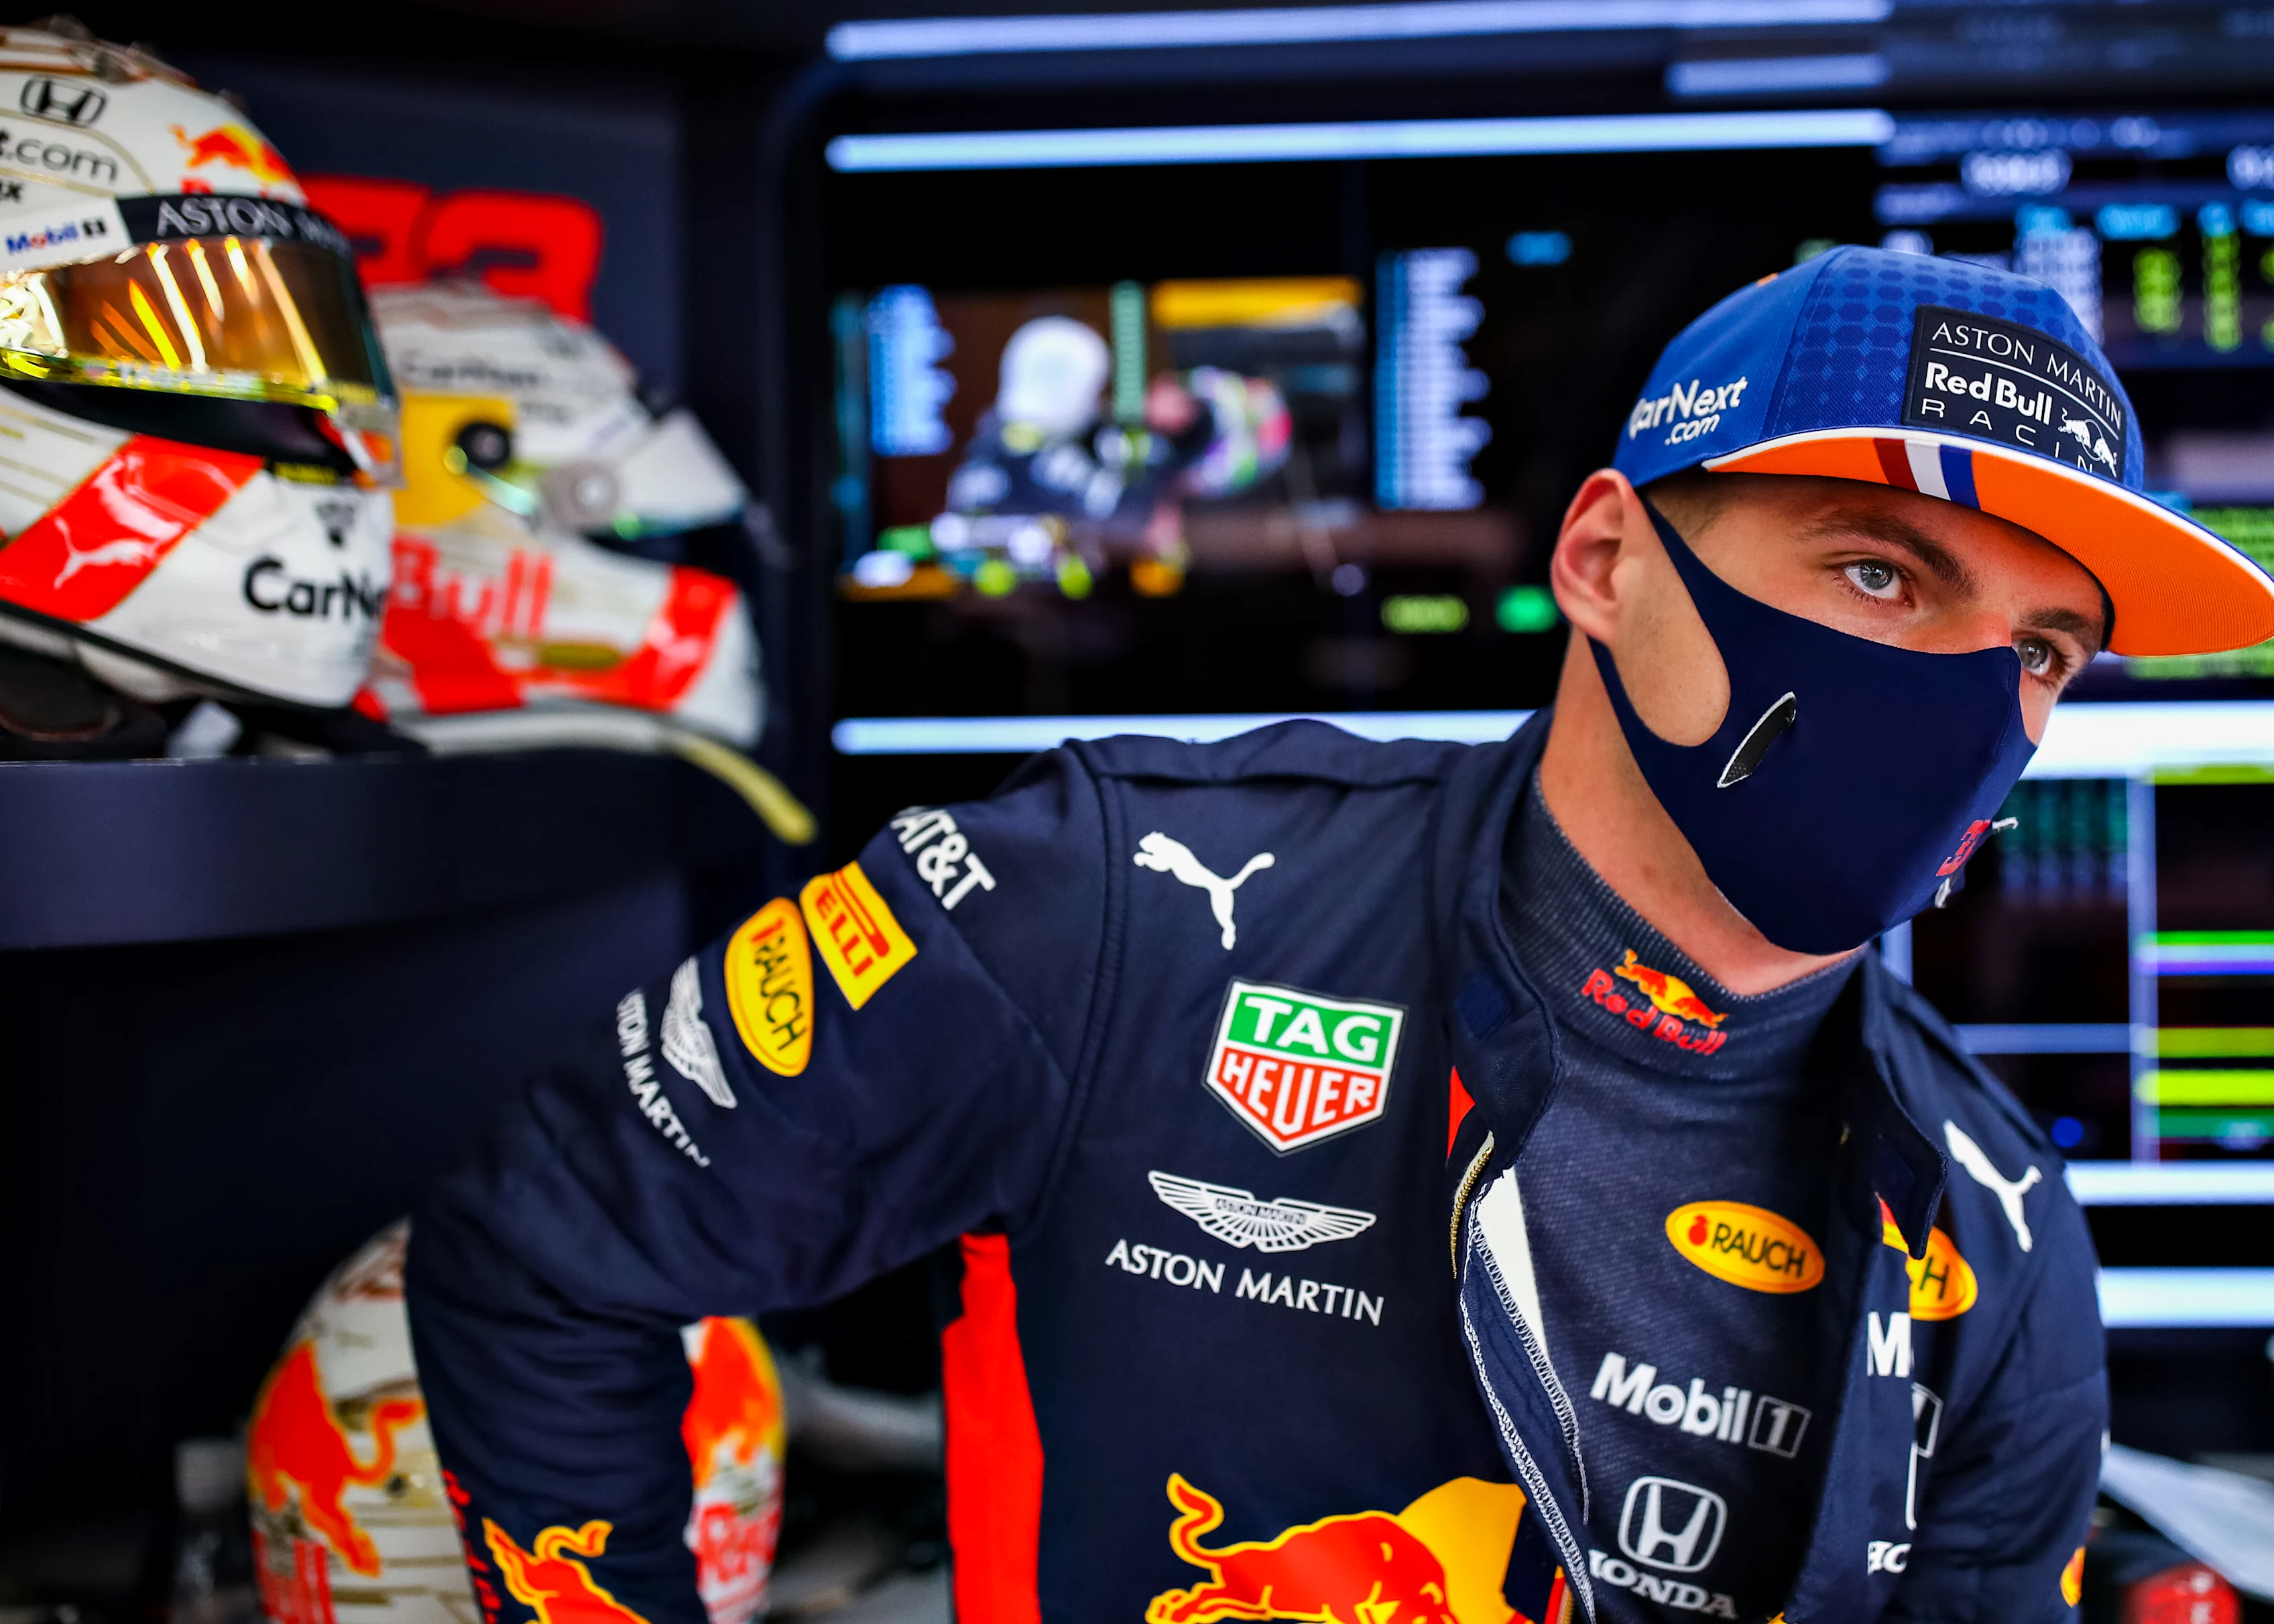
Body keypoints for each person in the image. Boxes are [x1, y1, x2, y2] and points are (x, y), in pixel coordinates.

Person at [406, 247, 2274, 1624]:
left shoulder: (1996, 1219)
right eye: (1879, 571)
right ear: (1607, 560)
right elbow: (544, 1247)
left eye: (2037, 649)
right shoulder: (1118, 898)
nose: (1967, 699)